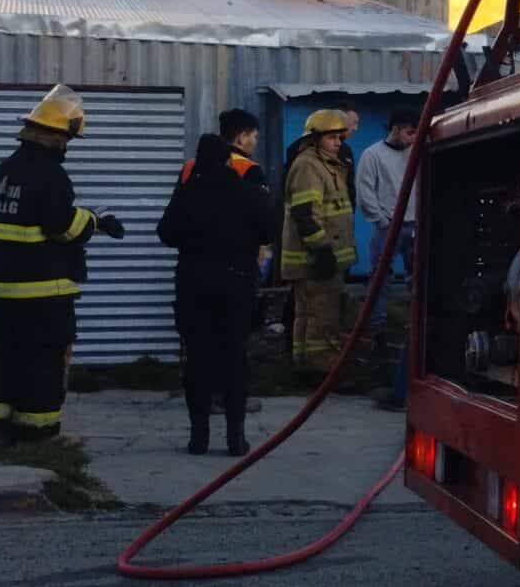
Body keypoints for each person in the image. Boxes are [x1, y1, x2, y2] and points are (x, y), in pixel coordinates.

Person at [0, 85, 122, 445]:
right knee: (46, 361)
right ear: (56, 137)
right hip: (42, 290)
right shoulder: (50, 175)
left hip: (3, 290)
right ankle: (39, 433)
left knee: (7, 359)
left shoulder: (3, 172)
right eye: (67, 140)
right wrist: (96, 221)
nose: (67, 148)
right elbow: (62, 226)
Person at [159, 133, 271, 456]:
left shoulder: (188, 193)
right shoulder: (249, 193)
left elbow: (166, 233)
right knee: (235, 357)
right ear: (227, 160)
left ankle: (199, 437)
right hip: (237, 284)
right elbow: (267, 231)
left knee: (197, 359)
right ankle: (236, 437)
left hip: (194, 284)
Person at [280, 109, 357, 377]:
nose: (338, 143)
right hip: (316, 261)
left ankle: (304, 368)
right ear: (315, 139)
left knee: (308, 317)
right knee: (324, 319)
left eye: (340, 137)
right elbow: (305, 214)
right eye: (331, 137)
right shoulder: (309, 166)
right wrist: (322, 250)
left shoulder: (329, 165)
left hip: (321, 260)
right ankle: (324, 372)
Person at [353, 112, 420, 409]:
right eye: (409, 133)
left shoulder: (417, 152)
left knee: (417, 276)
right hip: (388, 225)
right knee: (380, 276)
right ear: (395, 129)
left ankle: (414, 321)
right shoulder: (373, 155)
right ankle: (378, 327)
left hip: (414, 223)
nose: (412, 138)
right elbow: (365, 191)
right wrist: (382, 221)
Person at [179, 108, 265, 184]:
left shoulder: (190, 165)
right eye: (254, 136)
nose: (255, 142)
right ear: (242, 137)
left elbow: (180, 196)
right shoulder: (250, 169)